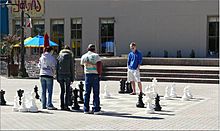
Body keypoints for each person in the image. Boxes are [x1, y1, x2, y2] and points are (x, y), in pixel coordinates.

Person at [81, 44, 102, 114]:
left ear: (88, 49)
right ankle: (96, 109)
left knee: (87, 92)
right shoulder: (96, 56)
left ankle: (86, 109)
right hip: (95, 75)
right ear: (94, 49)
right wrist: (99, 74)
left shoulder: (84, 56)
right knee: (96, 93)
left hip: (87, 75)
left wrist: (86, 70)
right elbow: (99, 66)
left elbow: (82, 65)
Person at [57, 45, 74, 111]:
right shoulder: (70, 56)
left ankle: (61, 105)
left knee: (62, 91)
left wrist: (57, 76)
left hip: (60, 75)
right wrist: (72, 77)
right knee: (67, 91)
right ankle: (66, 105)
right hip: (67, 75)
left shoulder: (59, 55)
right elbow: (72, 67)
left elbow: (57, 67)